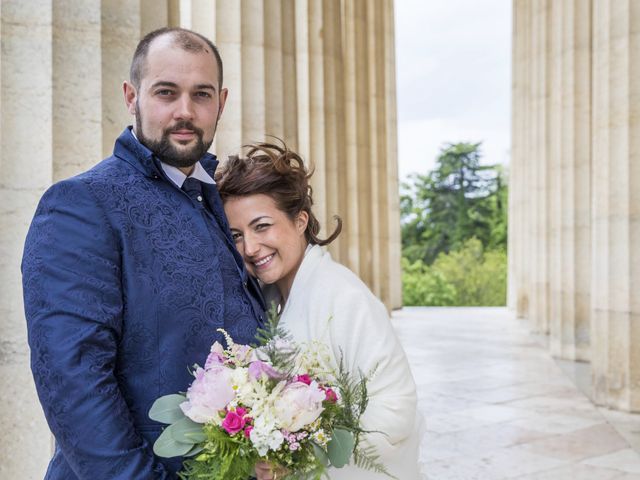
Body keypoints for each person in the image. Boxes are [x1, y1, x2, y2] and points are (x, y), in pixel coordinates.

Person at [21, 28, 265, 479]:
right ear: (131, 96)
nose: (185, 111)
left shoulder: (218, 201)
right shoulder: (81, 204)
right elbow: (73, 380)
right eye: (166, 92)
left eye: (202, 94)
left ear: (222, 103)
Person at [217, 142, 422, 480]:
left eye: (263, 226)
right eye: (237, 235)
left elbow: (397, 408)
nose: (251, 248)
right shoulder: (264, 298)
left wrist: (305, 455)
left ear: (300, 221)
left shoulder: (345, 297)